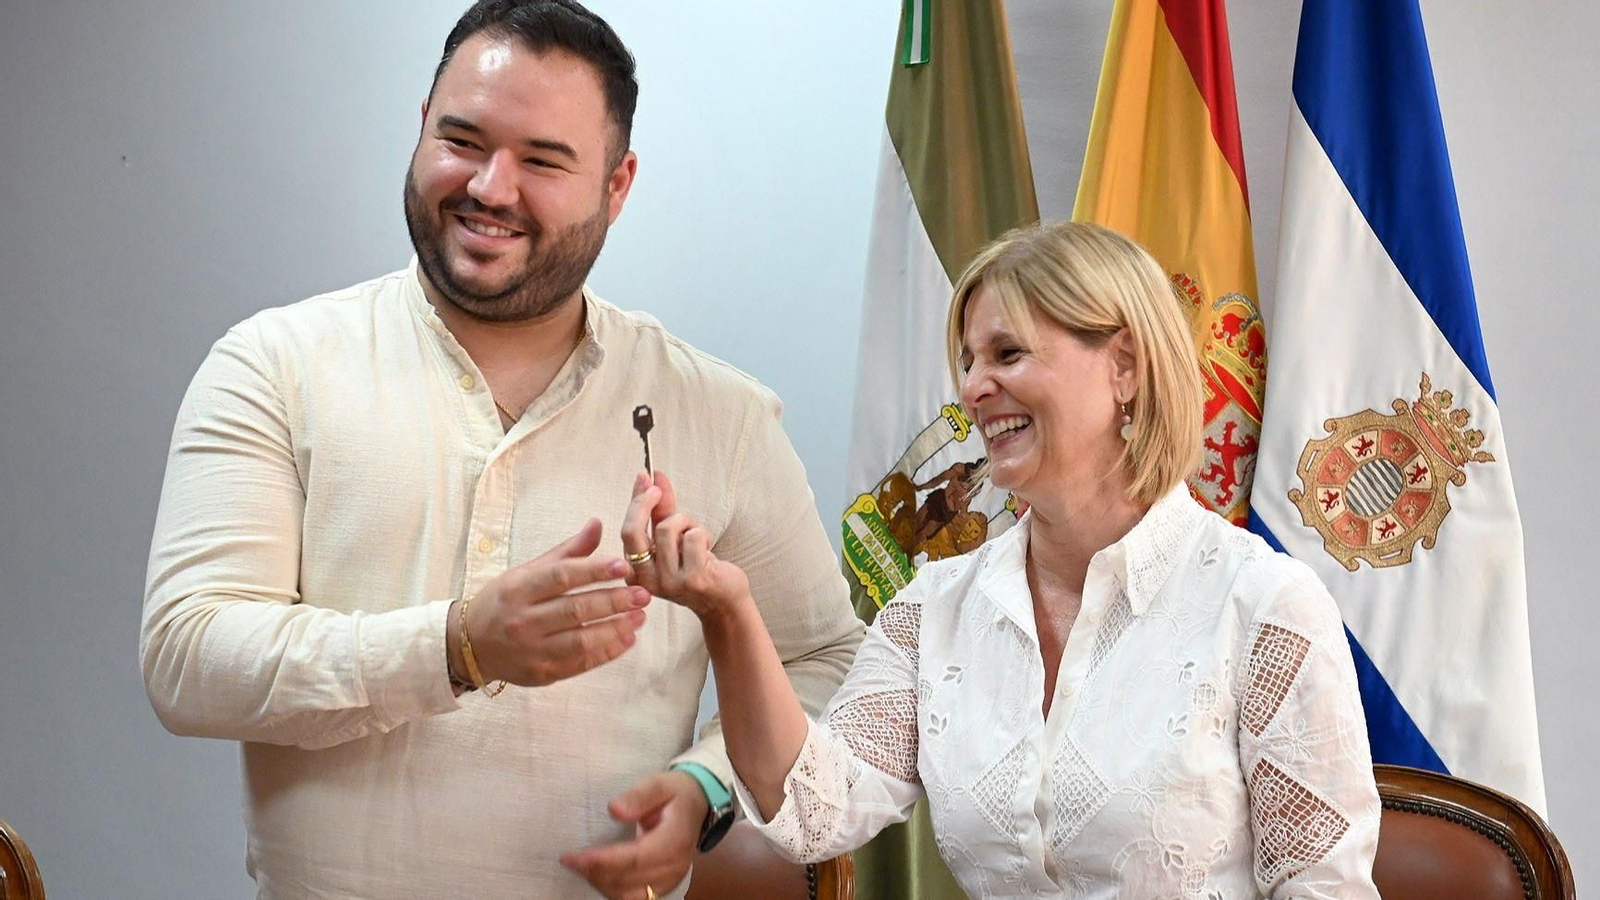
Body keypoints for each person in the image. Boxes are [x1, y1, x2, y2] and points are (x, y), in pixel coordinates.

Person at [139, 2, 863, 898]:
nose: (489, 186)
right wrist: (458, 646)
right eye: (463, 140)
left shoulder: (721, 413)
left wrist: (706, 783)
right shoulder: (275, 366)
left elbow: (830, 662)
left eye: (543, 161)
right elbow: (187, 657)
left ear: (618, 183)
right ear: (420, 129)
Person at [623, 221, 1382, 898]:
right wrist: (727, 611)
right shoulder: (934, 608)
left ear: (1123, 366)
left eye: (1007, 354)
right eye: (968, 360)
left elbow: (1325, 892)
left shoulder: (1264, 605)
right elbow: (815, 810)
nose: (974, 387)